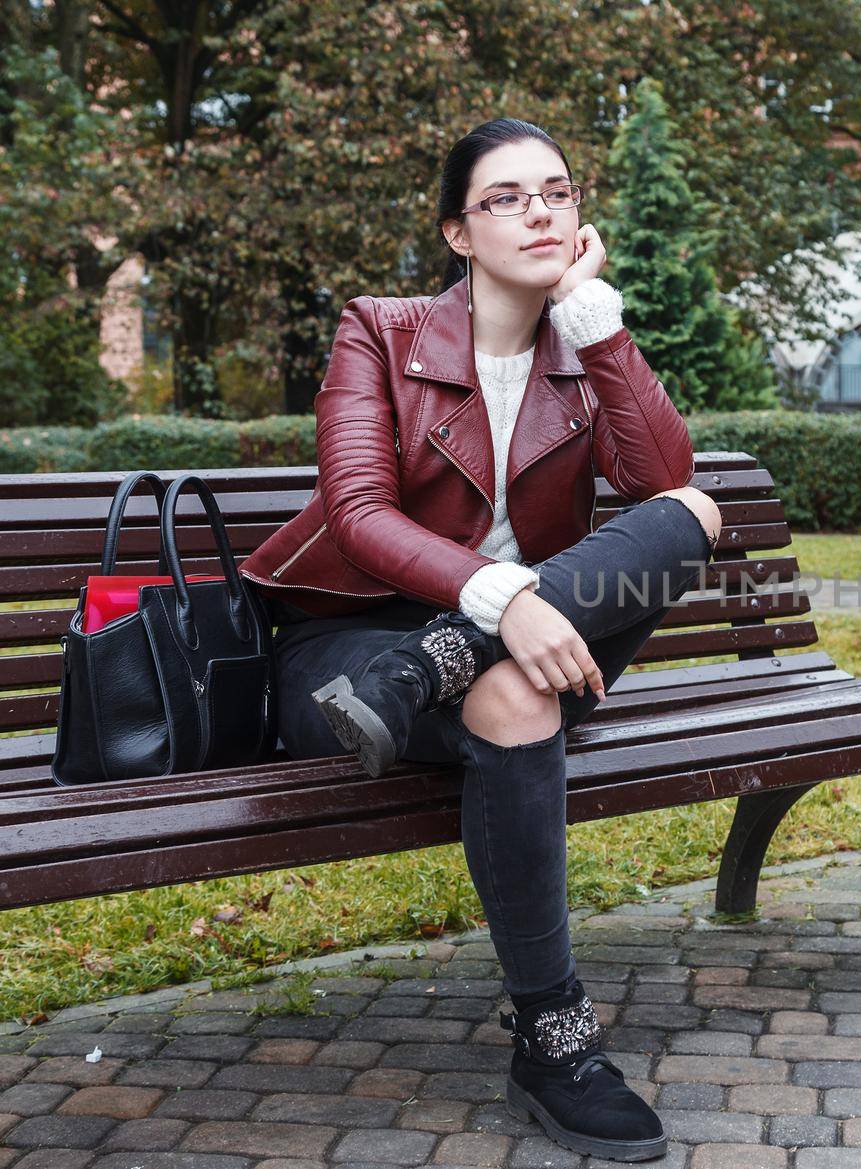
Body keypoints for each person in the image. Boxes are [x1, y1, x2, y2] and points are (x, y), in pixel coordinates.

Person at [237, 117, 721, 1163]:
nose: (540, 209)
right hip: (344, 657)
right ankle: (557, 1035)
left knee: (696, 511)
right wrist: (507, 598)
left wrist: (595, 323)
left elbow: (657, 481)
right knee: (514, 695)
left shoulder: (577, 347)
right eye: (507, 197)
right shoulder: (382, 329)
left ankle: (437, 662)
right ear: (458, 231)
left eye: (557, 189)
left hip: (457, 660)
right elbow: (359, 511)